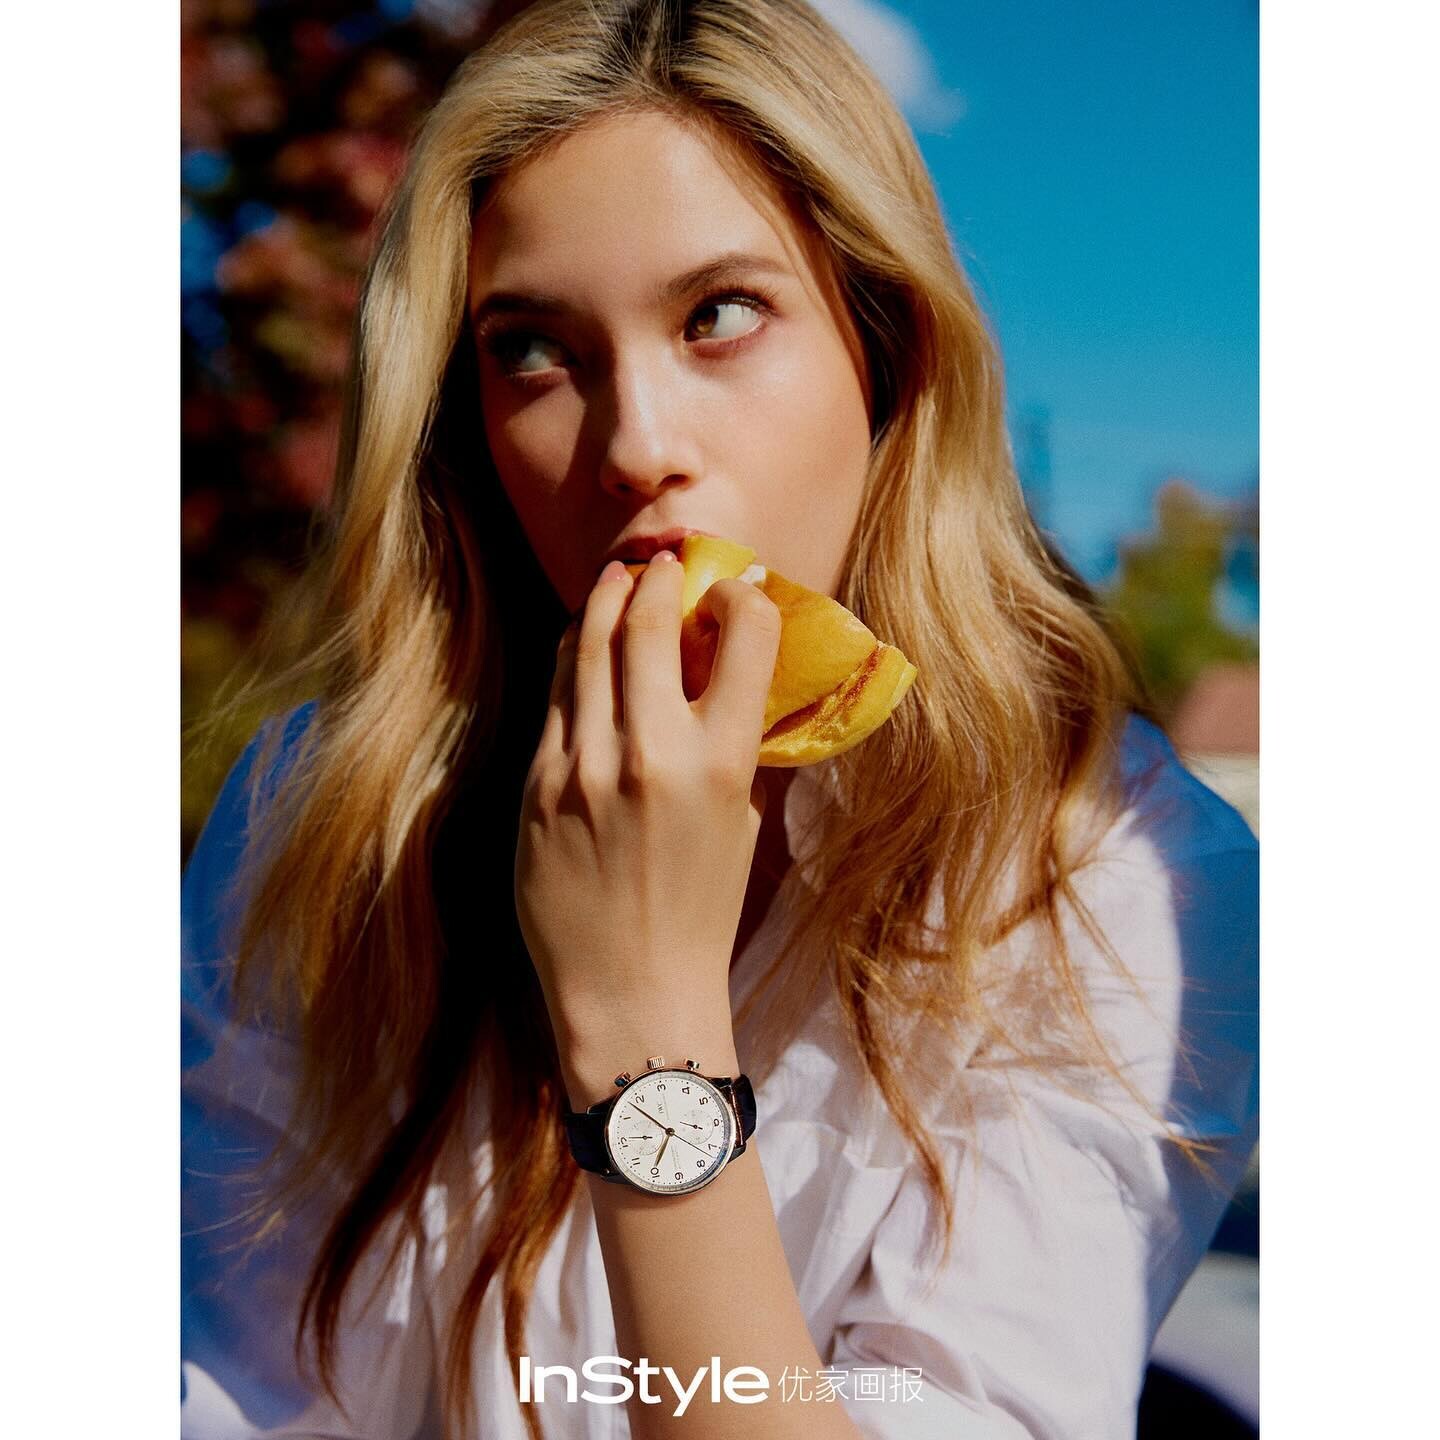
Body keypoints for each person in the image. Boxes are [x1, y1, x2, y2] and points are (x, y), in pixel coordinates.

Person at [181, 2, 1260, 1438]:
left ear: (886, 351)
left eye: (719, 316)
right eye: (533, 350)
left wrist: (646, 1036)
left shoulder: (1108, 882)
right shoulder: (316, 817)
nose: (636, 447)